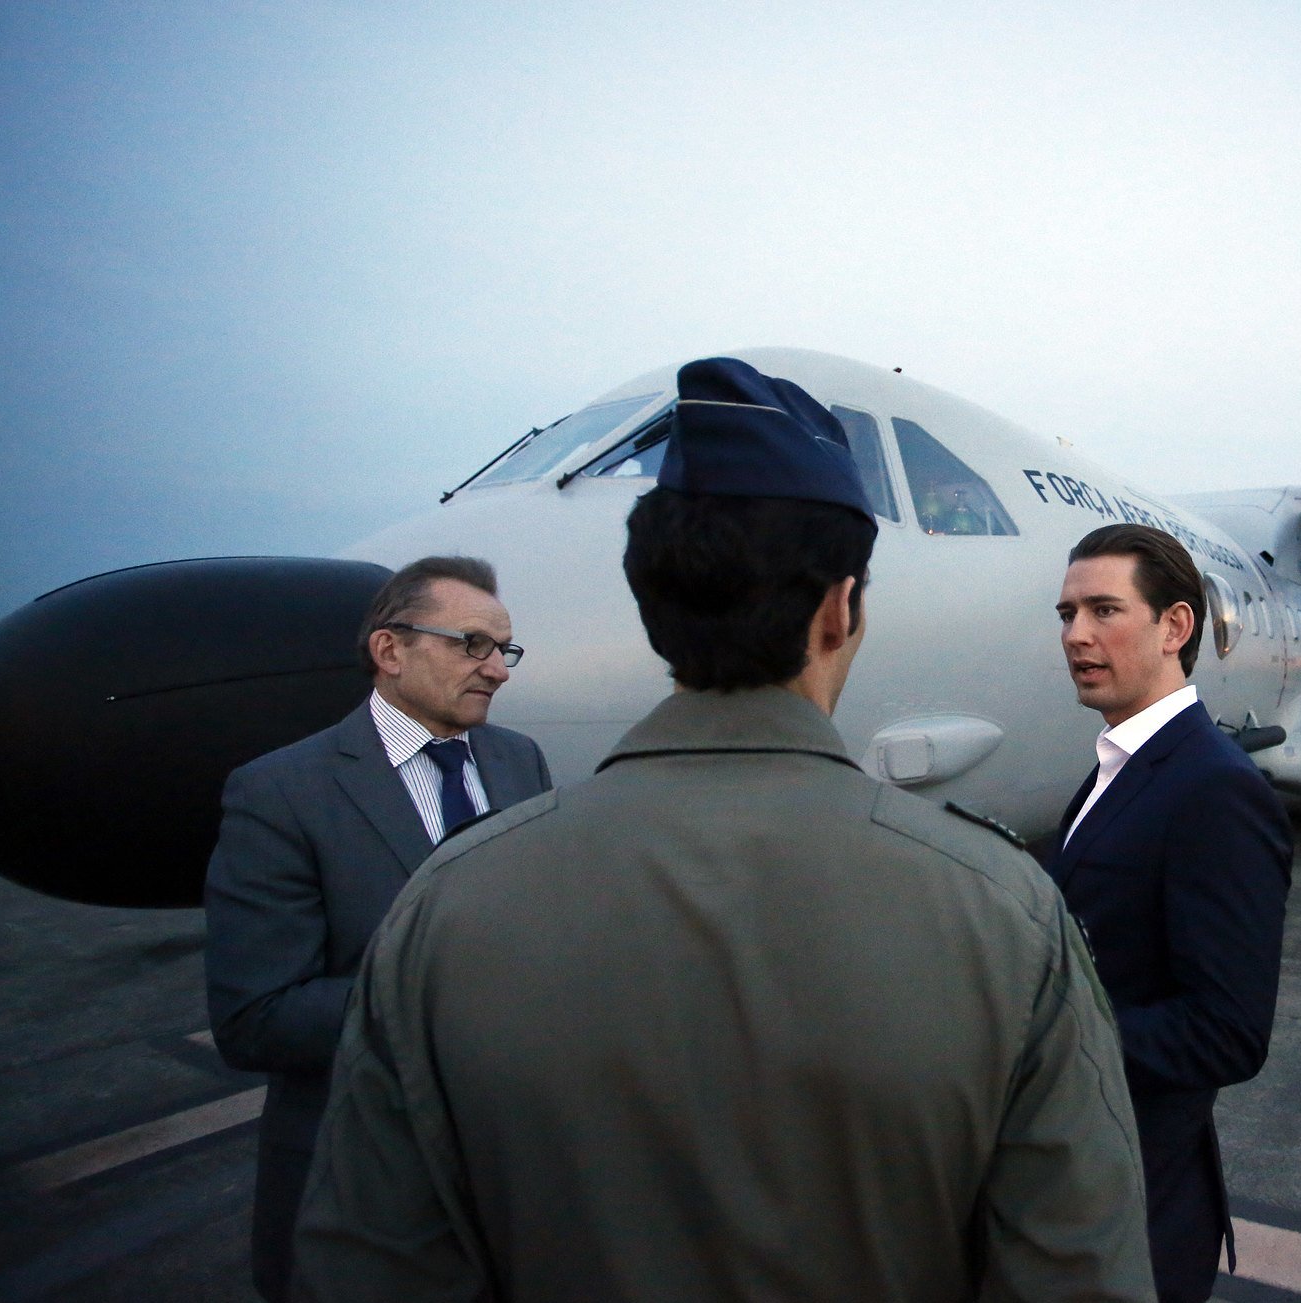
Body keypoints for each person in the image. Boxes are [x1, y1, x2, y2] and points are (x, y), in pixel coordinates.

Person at [290, 358, 1155, 1302]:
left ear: (653, 606)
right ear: (842, 609)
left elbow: (367, 1267)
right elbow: (1078, 1273)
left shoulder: (441, 911)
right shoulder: (1004, 912)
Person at [202, 555, 552, 1303]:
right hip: (361, 1195)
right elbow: (254, 1019)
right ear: (390, 650)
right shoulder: (281, 792)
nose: (497, 670)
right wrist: (443, 994)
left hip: (517, 1184)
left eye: (504, 649)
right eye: (472, 644)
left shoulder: (520, 761)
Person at [1048, 524, 1293, 1303]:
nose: (1076, 635)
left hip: (1141, 1215)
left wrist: (1042, 1035)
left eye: (1102, 610)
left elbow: (1227, 1031)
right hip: (1085, 1191)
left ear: (1175, 627)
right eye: (1065, 613)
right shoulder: (1120, 769)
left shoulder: (1213, 789)